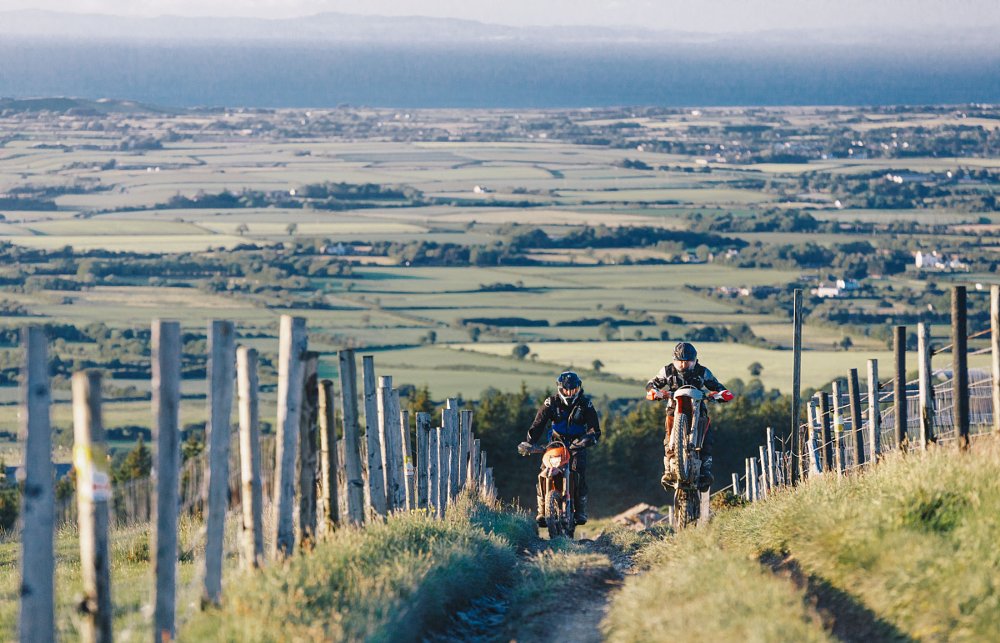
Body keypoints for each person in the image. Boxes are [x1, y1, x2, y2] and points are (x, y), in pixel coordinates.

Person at [645, 342, 733, 491]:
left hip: (698, 406)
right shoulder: (667, 371)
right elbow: (651, 384)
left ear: (695, 360)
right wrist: (655, 392)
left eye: (688, 362)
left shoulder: (703, 372)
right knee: (668, 436)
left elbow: (718, 387)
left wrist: (720, 394)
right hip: (674, 407)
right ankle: (668, 470)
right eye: (680, 362)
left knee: (708, 437)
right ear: (674, 360)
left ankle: (705, 470)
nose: (684, 365)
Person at [519, 371, 600, 526]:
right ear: (559, 389)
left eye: (573, 390)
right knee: (543, 471)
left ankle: (580, 510)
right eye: (566, 390)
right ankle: (542, 510)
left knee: (578, 472)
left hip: (577, 444)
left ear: (578, 388)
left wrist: (589, 439)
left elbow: (594, 429)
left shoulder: (586, 404)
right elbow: (538, 425)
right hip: (555, 444)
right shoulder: (551, 403)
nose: (569, 393)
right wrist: (529, 442)